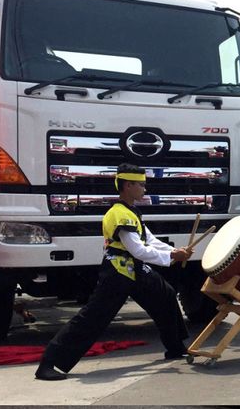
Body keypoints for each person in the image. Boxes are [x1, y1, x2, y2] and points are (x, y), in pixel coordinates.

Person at [35, 163, 193, 381]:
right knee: (93, 317)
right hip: (118, 271)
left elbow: (149, 240)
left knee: (165, 294)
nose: (144, 190)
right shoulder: (118, 214)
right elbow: (137, 249)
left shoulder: (131, 211)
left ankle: (175, 347)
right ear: (128, 186)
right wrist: (172, 257)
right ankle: (49, 364)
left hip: (135, 269)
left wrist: (175, 251)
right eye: (141, 185)